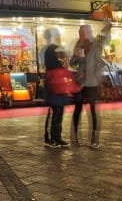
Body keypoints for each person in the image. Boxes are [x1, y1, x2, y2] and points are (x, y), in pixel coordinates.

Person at [70, 20, 112, 149]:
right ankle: (75, 138)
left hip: (92, 82)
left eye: (85, 32)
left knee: (93, 111)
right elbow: (72, 64)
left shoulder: (95, 45)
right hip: (80, 84)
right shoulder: (78, 47)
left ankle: (94, 140)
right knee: (78, 109)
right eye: (81, 32)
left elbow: (102, 36)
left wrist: (108, 25)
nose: (83, 34)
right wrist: (78, 57)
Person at [43, 45, 71, 148]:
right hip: (54, 93)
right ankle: (51, 138)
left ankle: (57, 137)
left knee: (58, 115)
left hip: (58, 93)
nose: (58, 54)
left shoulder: (54, 64)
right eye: (56, 52)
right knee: (55, 115)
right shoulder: (53, 64)